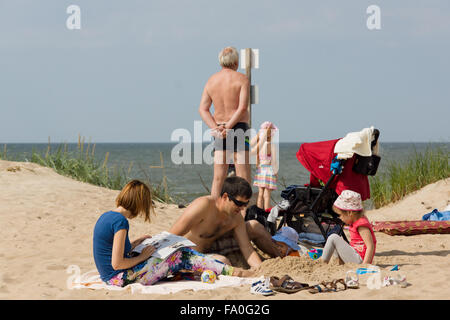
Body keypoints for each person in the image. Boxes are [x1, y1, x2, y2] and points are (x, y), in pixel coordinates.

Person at [93, 180, 254, 287]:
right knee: (181, 256)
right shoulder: (121, 222)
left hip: (110, 278)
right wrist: (142, 257)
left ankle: (211, 271)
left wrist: (135, 243)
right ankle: (237, 272)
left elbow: (112, 250)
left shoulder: (108, 216)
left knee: (175, 258)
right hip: (120, 279)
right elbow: (117, 264)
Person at [169, 176, 281, 268]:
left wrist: (261, 270)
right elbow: (172, 234)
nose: (242, 208)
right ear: (225, 196)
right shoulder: (204, 206)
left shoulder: (236, 217)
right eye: (239, 203)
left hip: (218, 246)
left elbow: (247, 248)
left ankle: (283, 257)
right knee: (223, 262)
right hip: (194, 252)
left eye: (245, 204)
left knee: (255, 226)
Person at [198, 46, 251, 199]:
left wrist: (217, 128)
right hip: (238, 128)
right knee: (243, 175)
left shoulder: (211, 81)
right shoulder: (242, 79)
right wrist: (229, 126)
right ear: (235, 62)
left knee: (218, 177)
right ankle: (242, 214)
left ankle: (215, 211)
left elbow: (203, 109)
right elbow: (241, 108)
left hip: (219, 130)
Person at [321, 190, 377, 265]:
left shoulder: (361, 225)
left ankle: (323, 263)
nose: (340, 218)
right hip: (355, 254)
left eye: (340, 215)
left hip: (359, 260)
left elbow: (370, 246)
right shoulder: (355, 221)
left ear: (350, 213)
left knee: (333, 237)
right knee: (335, 243)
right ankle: (339, 263)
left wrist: (365, 265)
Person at [250, 121, 278, 210]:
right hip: (269, 170)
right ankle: (266, 211)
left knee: (260, 194)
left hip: (260, 170)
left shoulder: (260, 145)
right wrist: (276, 173)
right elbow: (274, 161)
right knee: (267, 194)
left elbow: (252, 145)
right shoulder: (271, 145)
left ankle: (259, 211)